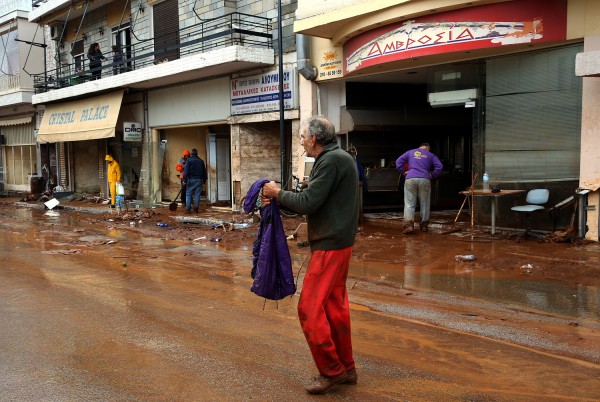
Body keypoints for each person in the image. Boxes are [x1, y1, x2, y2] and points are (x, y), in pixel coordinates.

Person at [262, 115, 360, 395]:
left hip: (330, 245)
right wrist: (281, 196)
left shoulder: (329, 161)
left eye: (303, 137)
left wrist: (278, 192)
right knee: (334, 308)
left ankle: (332, 370)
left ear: (314, 138)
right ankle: (347, 368)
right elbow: (311, 200)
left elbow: (308, 203)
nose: (302, 141)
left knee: (309, 309)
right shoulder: (339, 158)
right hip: (339, 242)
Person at [395, 142, 443, 234]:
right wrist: (432, 175)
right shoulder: (430, 155)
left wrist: (404, 172)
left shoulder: (410, 152)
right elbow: (440, 167)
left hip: (411, 178)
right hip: (425, 179)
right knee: (424, 203)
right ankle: (424, 226)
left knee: (409, 203)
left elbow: (398, 162)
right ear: (427, 148)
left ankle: (409, 226)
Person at [182, 148, 207, 214]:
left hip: (190, 180)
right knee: (197, 195)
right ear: (197, 154)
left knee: (188, 195)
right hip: (199, 180)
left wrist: (184, 180)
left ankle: (188, 209)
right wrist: (204, 180)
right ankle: (196, 209)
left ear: (191, 154)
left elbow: (186, 171)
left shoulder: (188, 160)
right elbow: (204, 171)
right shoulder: (201, 161)